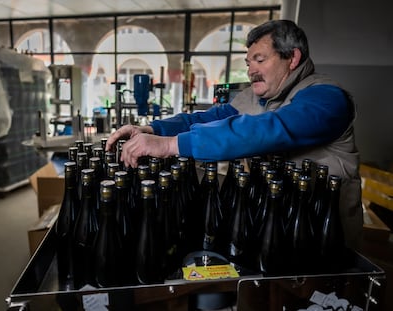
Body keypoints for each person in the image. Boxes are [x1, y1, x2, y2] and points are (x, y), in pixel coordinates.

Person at [106, 19, 362, 250]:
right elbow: (207, 117)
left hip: (322, 237)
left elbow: (269, 129)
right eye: (249, 63)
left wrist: (171, 145)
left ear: (292, 58)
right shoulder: (253, 96)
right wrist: (153, 130)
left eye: (260, 60)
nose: (251, 70)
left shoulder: (327, 98)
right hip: (271, 226)